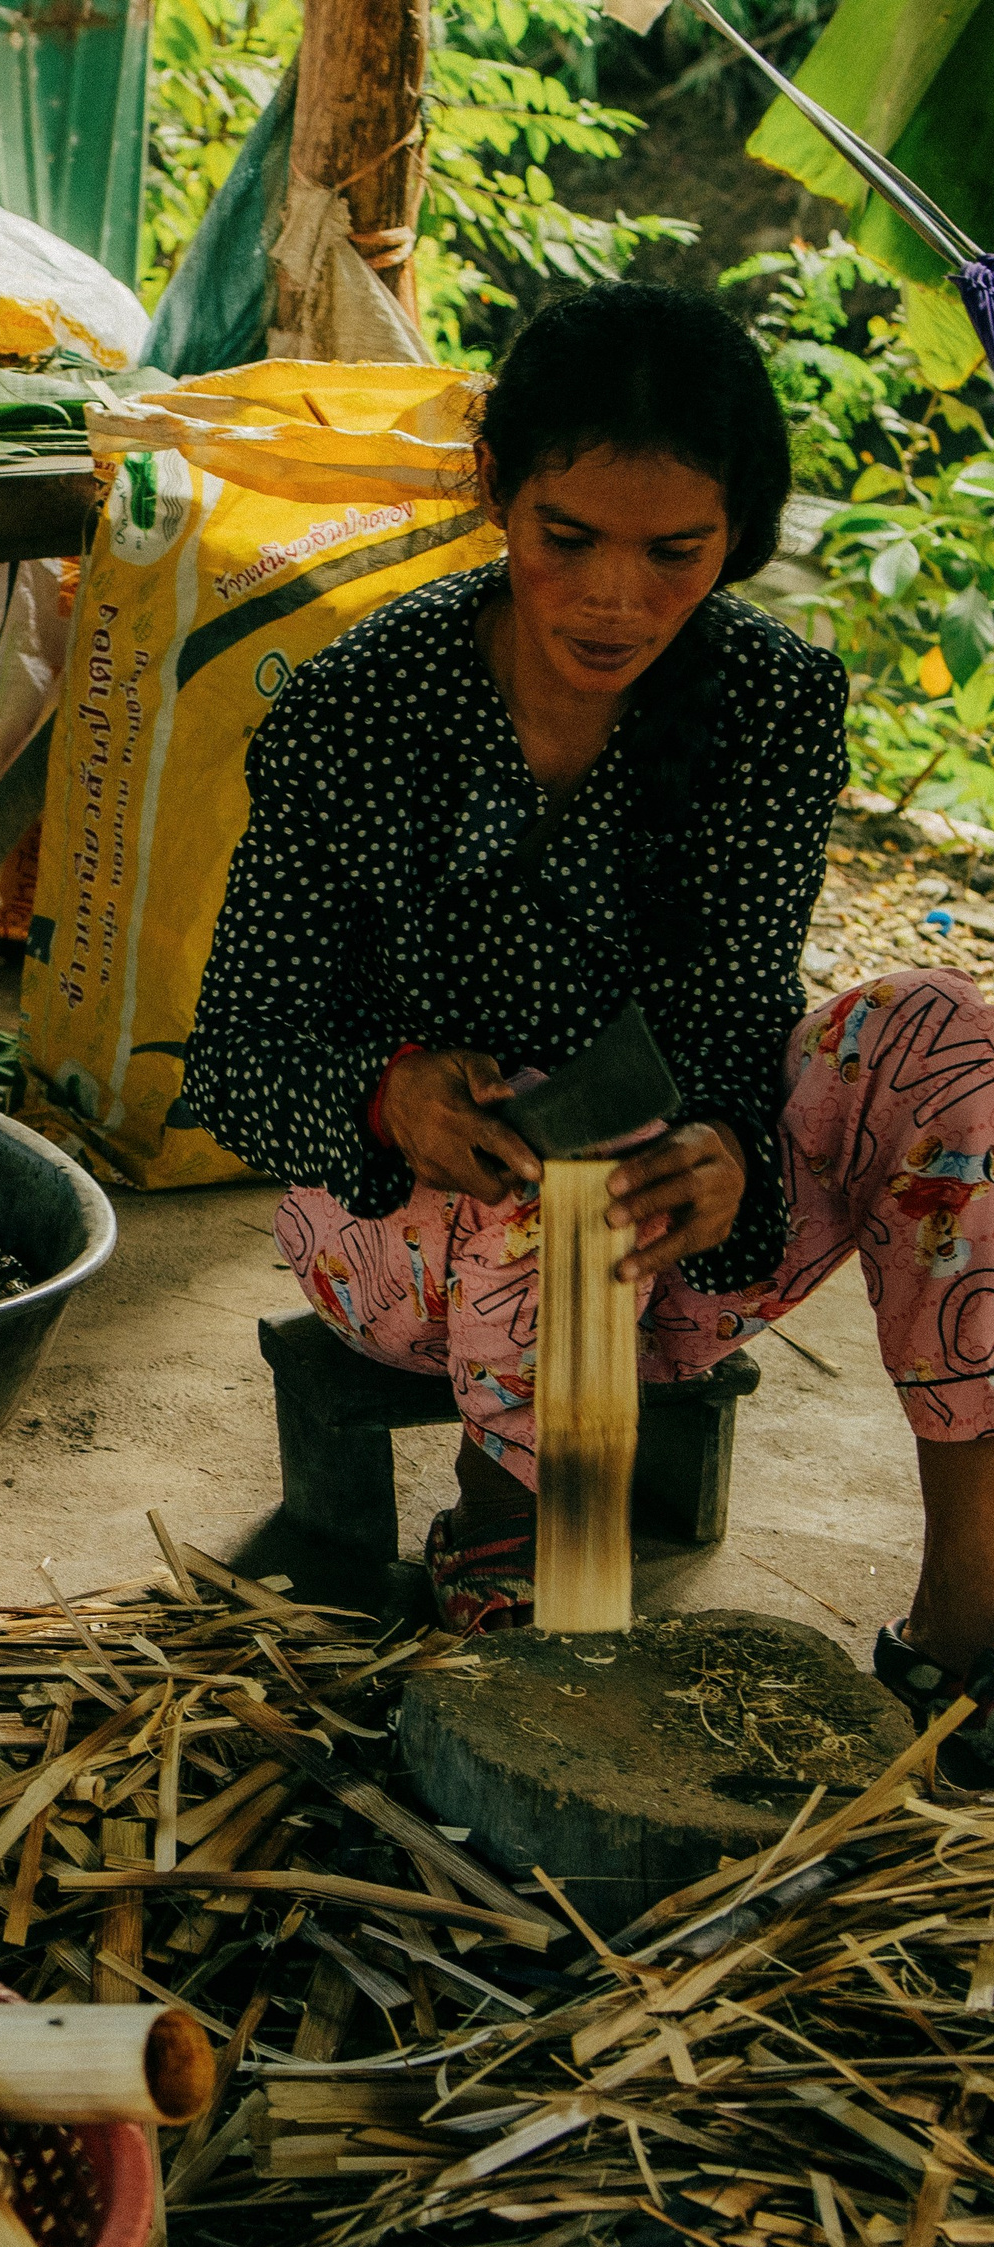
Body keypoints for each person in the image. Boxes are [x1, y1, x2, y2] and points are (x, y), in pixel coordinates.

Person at [186, 282, 994, 1730]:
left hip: (674, 1239)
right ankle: (526, 1551)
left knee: (953, 1037)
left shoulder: (771, 698)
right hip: (407, 1242)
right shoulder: (363, 704)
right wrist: (389, 1092)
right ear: (500, 490)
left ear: (736, 536)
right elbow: (238, 1050)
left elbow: (743, 997)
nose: (617, 599)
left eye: (676, 553)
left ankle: (971, 1617)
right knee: (557, 1171)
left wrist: (736, 1140)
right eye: (570, 541)